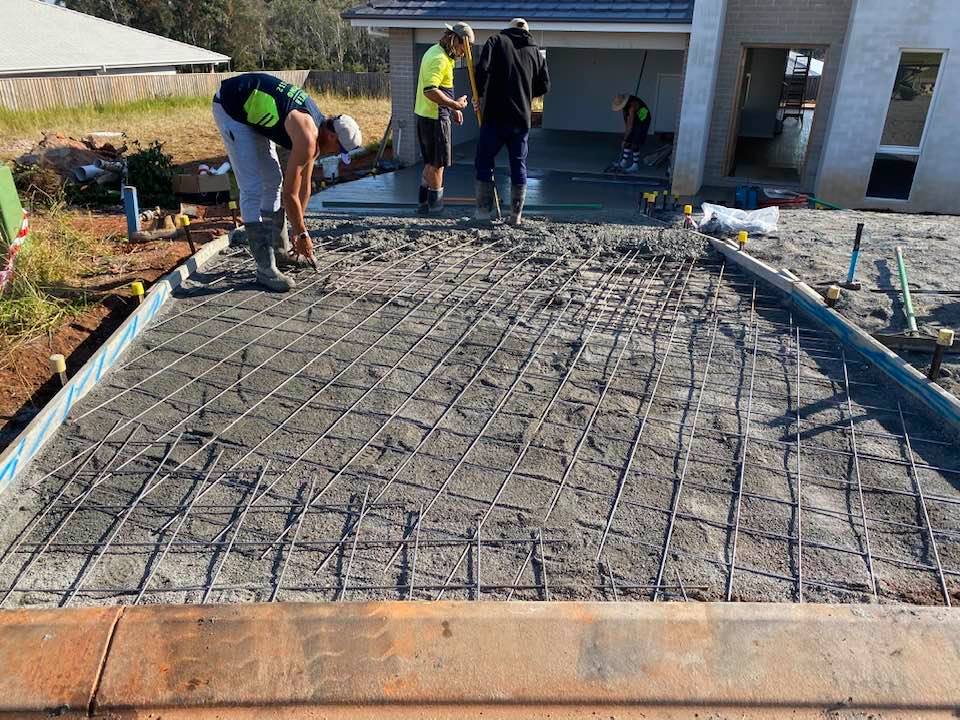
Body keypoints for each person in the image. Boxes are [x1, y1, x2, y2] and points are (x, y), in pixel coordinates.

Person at [213, 72, 362, 291]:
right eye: (340, 151)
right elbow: (290, 195)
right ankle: (265, 268)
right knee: (252, 187)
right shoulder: (307, 135)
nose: (337, 155)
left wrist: (299, 230)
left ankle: (280, 252)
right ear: (333, 137)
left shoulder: (319, 130)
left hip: (252, 111)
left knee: (273, 179)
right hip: (232, 107)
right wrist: (301, 233)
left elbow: (305, 187)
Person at [473, 18, 550, 226]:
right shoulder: (535, 51)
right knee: (518, 164)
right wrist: (525, 93)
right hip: (521, 119)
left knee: (484, 161)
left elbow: (482, 69)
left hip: (495, 116)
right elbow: (545, 85)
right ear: (527, 32)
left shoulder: (496, 41)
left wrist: (478, 94)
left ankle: (482, 212)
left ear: (509, 28)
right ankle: (516, 216)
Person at [415, 22, 474, 214]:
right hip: (434, 119)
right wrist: (454, 105)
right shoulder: (439, 58)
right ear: (454, 40)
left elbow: (439, 89)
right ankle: (436, 207)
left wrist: (452, 107)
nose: (463, 53)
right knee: (438, 166)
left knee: (430, 164)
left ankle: (423, 204)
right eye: (462, 48)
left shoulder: (436, 52)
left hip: (429, 115)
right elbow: (430, 90)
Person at [612, 93, 652, 173]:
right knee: (628, 139)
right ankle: (623, 163)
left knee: (635, 141)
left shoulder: (632, 106)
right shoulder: (625, 108)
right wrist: (626, 137)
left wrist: (624, 139)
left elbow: (630, 126)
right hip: (635, 117)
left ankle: (635, 165)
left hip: (643, 119)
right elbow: (627, 123)